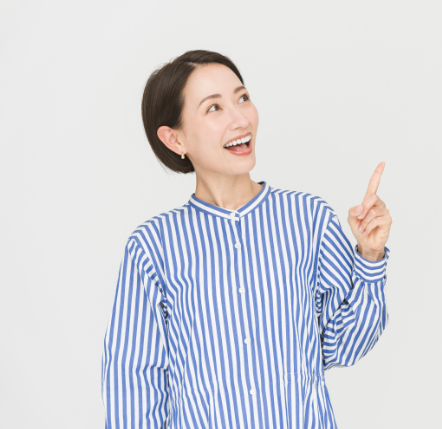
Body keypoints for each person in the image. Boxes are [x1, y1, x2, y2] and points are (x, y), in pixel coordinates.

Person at [101, 50, 393, 429]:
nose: (241, 119)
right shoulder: (152, 247)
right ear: (175, 139)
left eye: (242, 98)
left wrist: (369, 256)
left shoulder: (309, 218)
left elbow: (345, 345)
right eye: (214, 108)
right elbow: (134, 383)